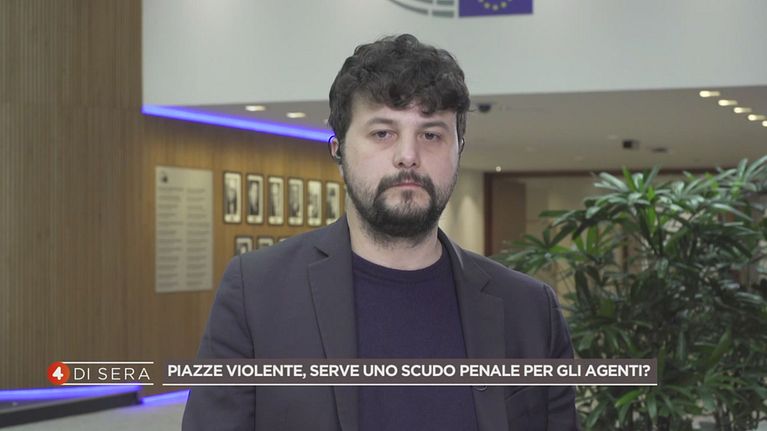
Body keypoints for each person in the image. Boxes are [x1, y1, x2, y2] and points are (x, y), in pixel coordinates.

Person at [183, 34, 579, 430]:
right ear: (338, 151)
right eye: (382, 133)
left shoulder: (530, 311)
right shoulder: (256, 294)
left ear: (459, 149)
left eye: (431, 134)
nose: (408, 156)